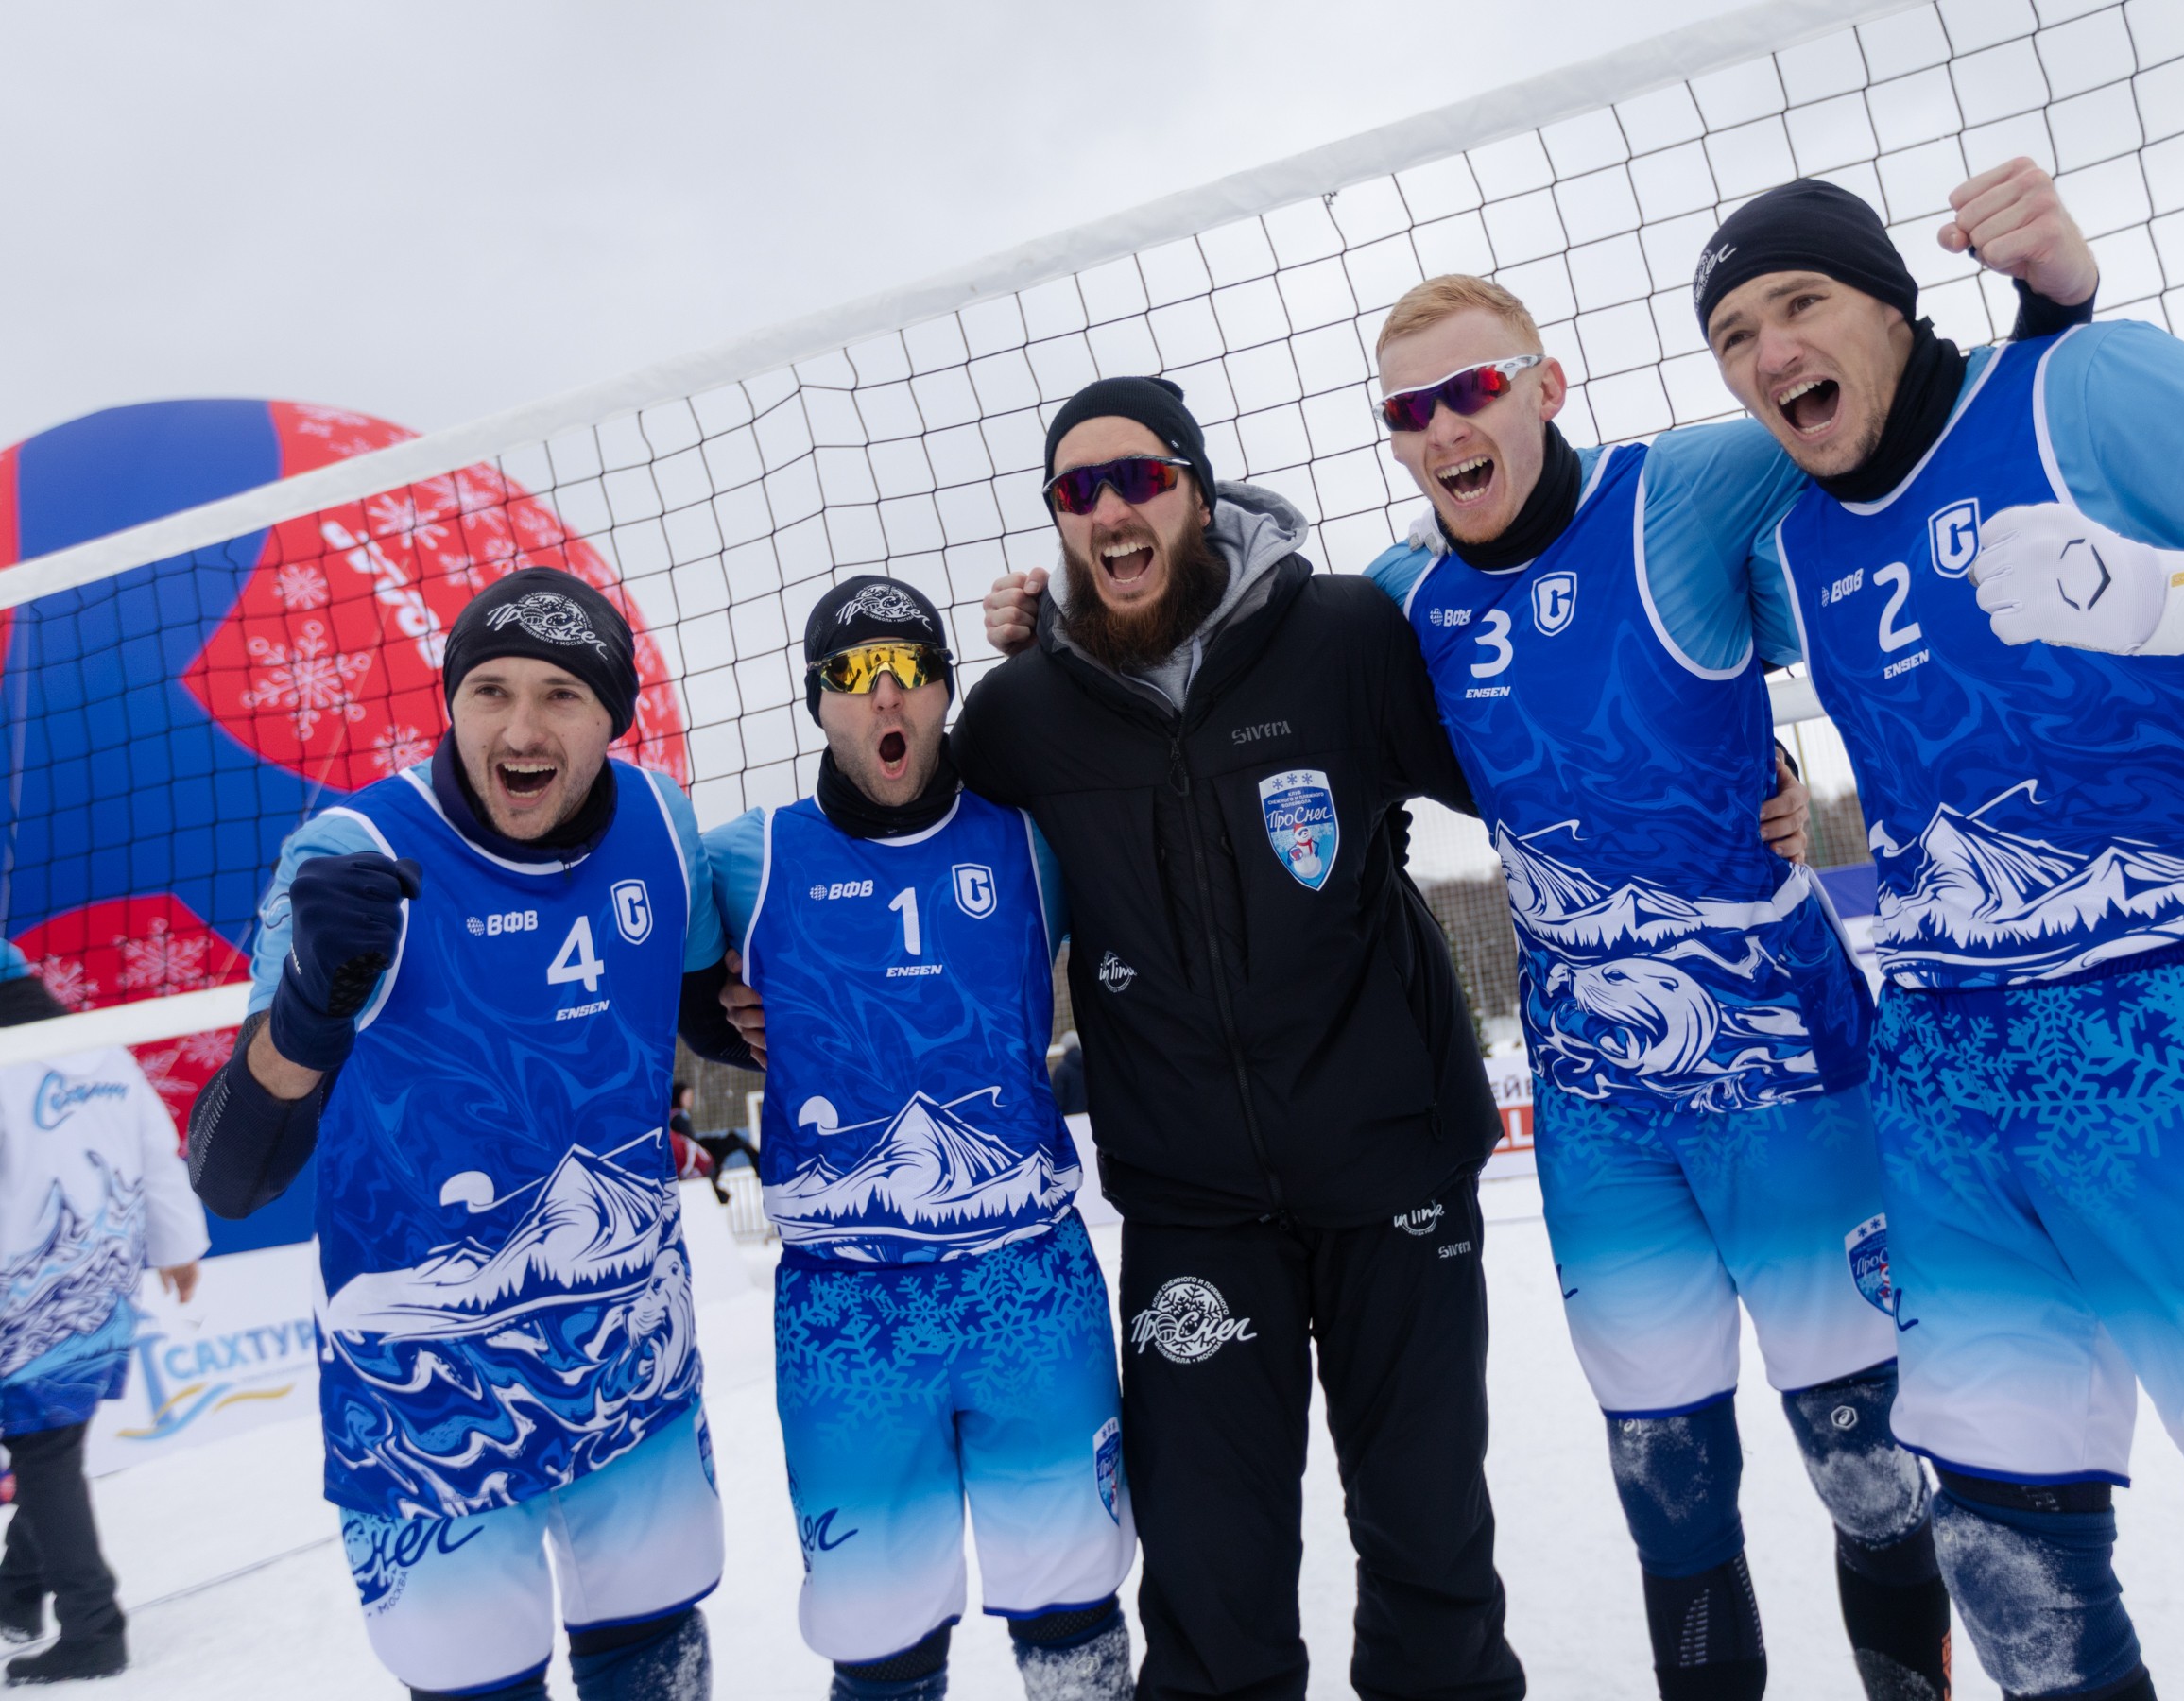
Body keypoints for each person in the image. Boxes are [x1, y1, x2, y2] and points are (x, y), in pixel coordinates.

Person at [982, 159, 2097, 1701]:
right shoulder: (1403, 599)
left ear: (1545, 385)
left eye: (1472, 390)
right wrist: (1048, 630)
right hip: (1599, 1114)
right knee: (1672, 1501)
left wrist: (2051, 314)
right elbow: (1238, 673)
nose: (1444, 427)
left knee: (1866, 1468)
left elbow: (1896, 447)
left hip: (1788, 1078)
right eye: (1410, 410)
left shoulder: (1689, 487)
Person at [1696, 175, 2184, 1700]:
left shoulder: (2097, 389)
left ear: (1894, 305)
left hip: (2175, 1044)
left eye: (1800, 302)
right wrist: (1770, 782)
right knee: (2008, 1565)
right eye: (1734, 334)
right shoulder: (1794, 542)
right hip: (1946, 1077)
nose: (1769, 350)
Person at [953, 374, 1525, 1701]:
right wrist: (729, 991)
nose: (1111, 507)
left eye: (1140, 477)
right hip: (1192, 1202)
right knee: (1211, 1576)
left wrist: (1761, 783)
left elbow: (1518, 766)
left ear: (1198, 493)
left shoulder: (1341, 632)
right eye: (1077, 490)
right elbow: (915, 863)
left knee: (1429, 1537)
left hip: (1391, 1163)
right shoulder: (1024, 714)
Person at [187, 567, 731, 1701]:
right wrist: (307, 1014)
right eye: (490, 692)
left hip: (633, 1373)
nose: (520, 730)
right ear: (451, 702)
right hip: (430, 1413)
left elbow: (700, 1007)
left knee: (656, 1661)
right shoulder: (351, 855)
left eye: (560, 696)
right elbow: (231, 1176)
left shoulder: (660, 820)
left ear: (613, 719)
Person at [683, 576, 1136, 1701]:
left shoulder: (1032, 838)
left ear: (944, 692)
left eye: (910, 669)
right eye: (853, 673)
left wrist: (1064, 632)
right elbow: (668, 988)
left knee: (1074, 1610)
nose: (884, 694)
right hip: (848, 1311)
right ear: (818, 702)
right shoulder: (744, 859)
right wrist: (724, 1023)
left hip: (1029, 1281)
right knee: (880, 1640)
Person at [0, 956, 207, 1684]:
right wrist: (179, 1248)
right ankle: (16, 1593)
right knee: (51, 1447)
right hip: (102, 1286)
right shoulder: (103, 1049)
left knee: (45, 1452)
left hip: (24, 1297)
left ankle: (93, 1629)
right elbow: (159, 1152)